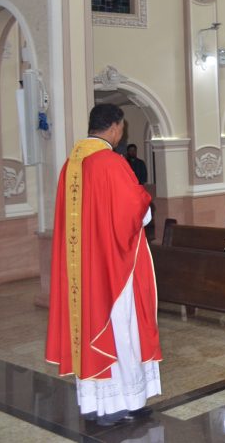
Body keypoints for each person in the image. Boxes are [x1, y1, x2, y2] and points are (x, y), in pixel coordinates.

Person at [46, 104, 160, 427]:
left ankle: (101, 403)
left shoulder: (70, 165)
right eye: (122, 127)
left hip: (82, 269)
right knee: (120, 330)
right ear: (113, 127)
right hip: (112, 268)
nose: (121, 133)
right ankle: (117, 404)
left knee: (93, 329)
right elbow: (134, 210)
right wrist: (145, 202)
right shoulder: (111, 163)